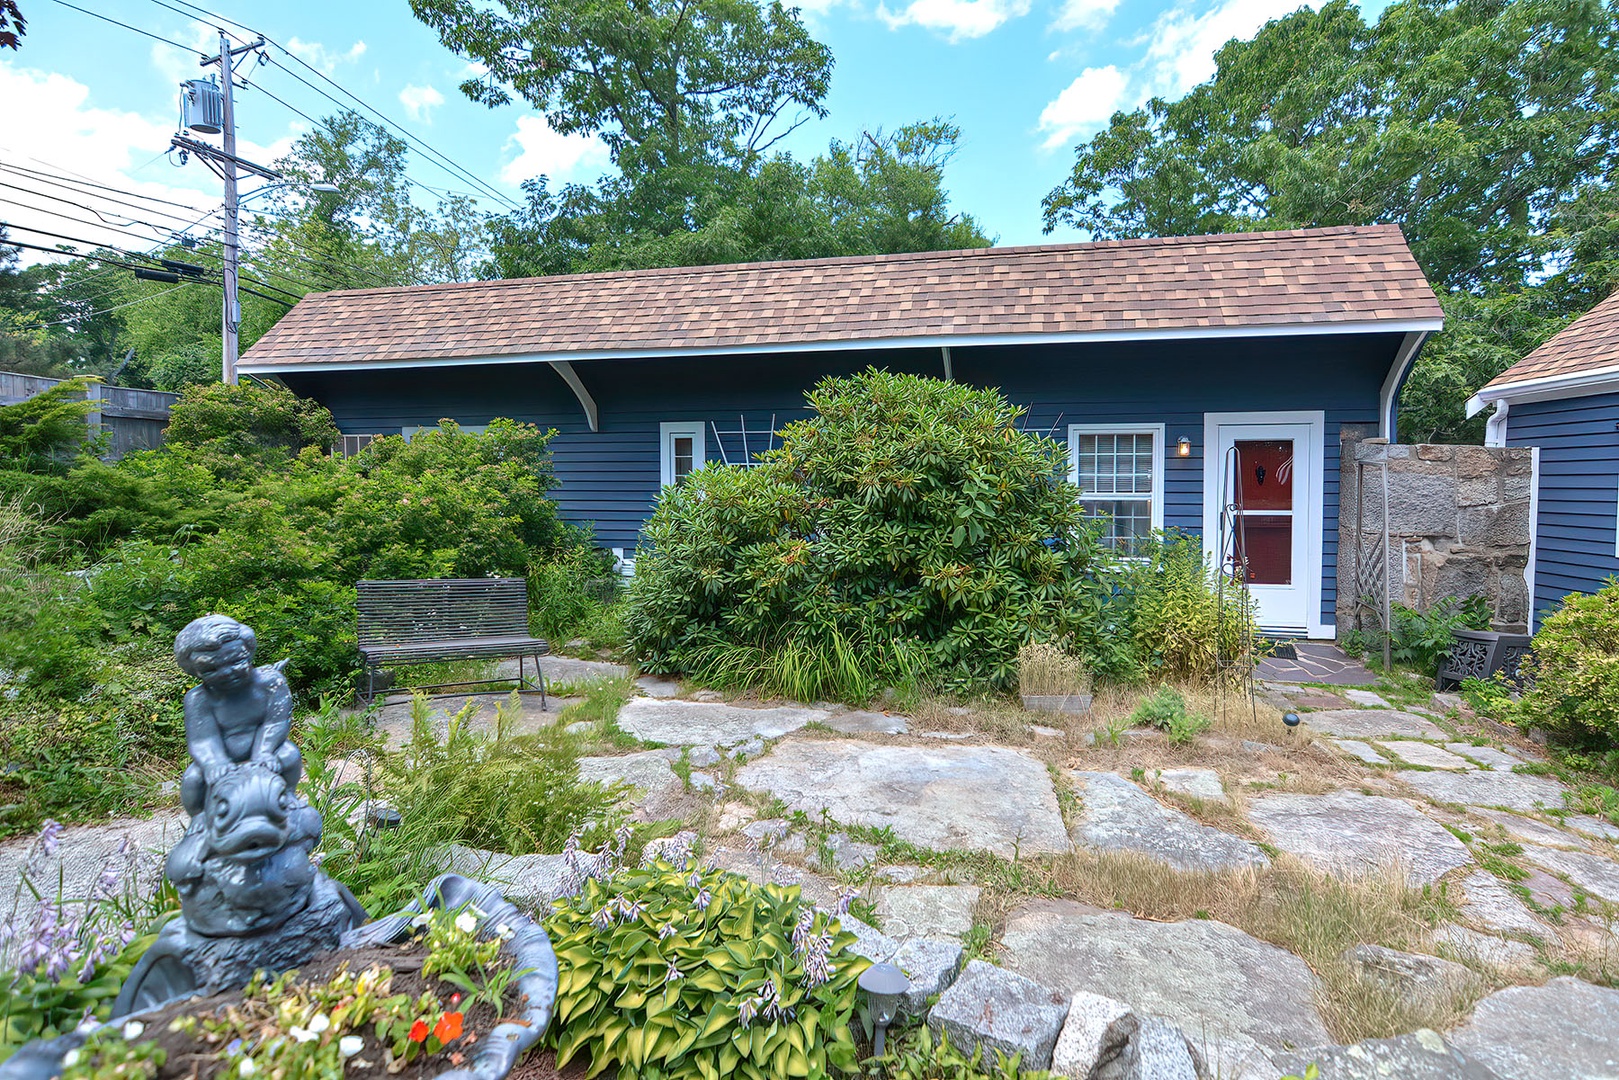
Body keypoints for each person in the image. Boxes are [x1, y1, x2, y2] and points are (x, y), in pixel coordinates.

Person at [173, 614, 299, 819]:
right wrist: (214, 763)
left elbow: (276, 722)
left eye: (236, 661)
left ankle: (289, 797)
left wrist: (264, 751)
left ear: (248, 653)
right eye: (211, 668)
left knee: (289, 755)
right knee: (193, 779)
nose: (226, 672)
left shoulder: (271, 683)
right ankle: (199, 818)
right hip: (222, 754)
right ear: (195, 671)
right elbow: (202, 739)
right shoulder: (198, 698)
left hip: (265, 748)